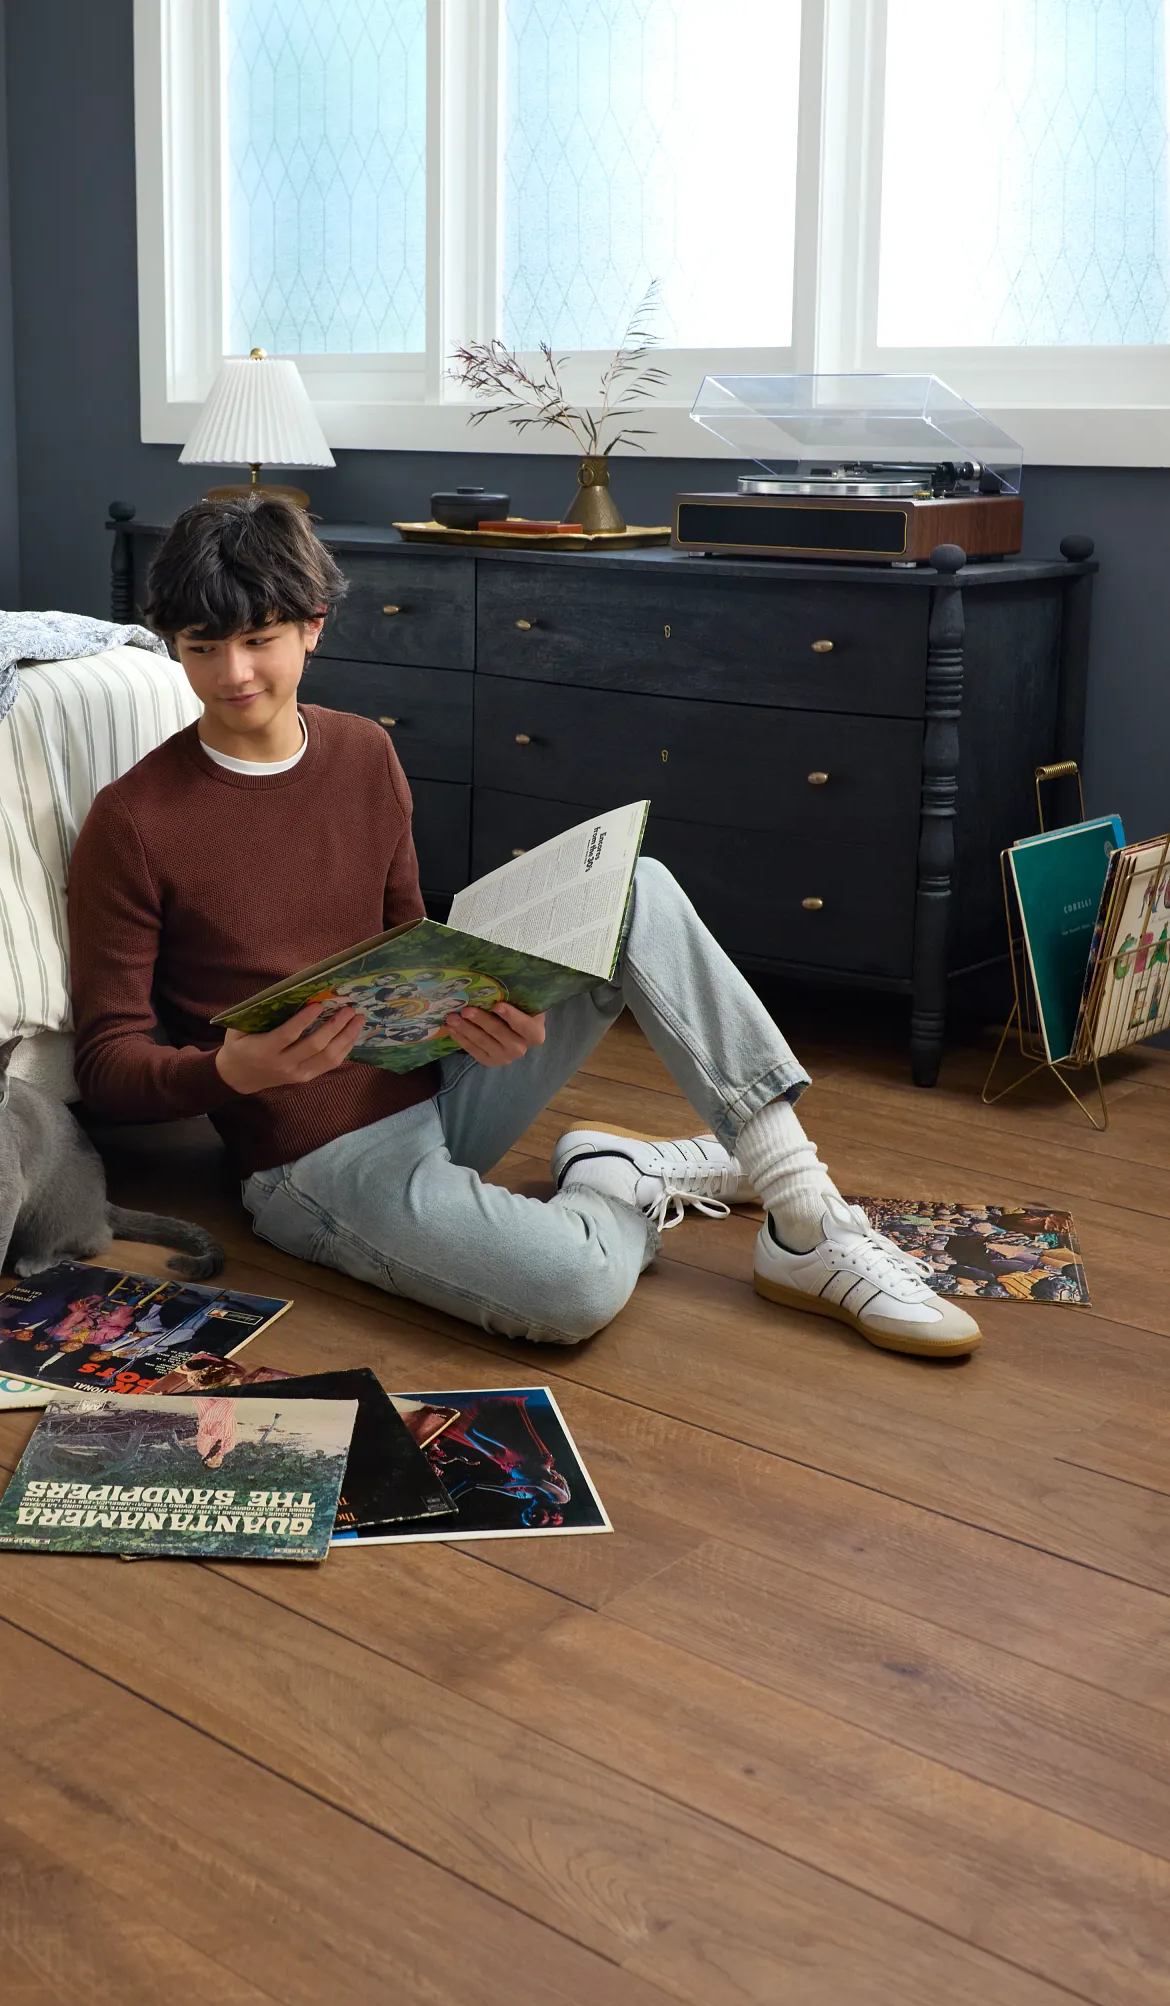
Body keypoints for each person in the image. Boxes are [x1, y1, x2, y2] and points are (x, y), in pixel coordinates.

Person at [67, 497, 979, 1362]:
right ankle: (615, 1180)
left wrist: (498, 1017)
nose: (233, 674)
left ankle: (806, 1215)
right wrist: (230, 1069)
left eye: (259, 640)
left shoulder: (363, 753)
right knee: (572, 1291)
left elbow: (404, 941)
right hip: (313, 1159)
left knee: (638, 888)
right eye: (202, 647)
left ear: (312, 624)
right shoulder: (135, 819)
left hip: (440, 1084)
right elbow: (105, 1070)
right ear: (173, 648)